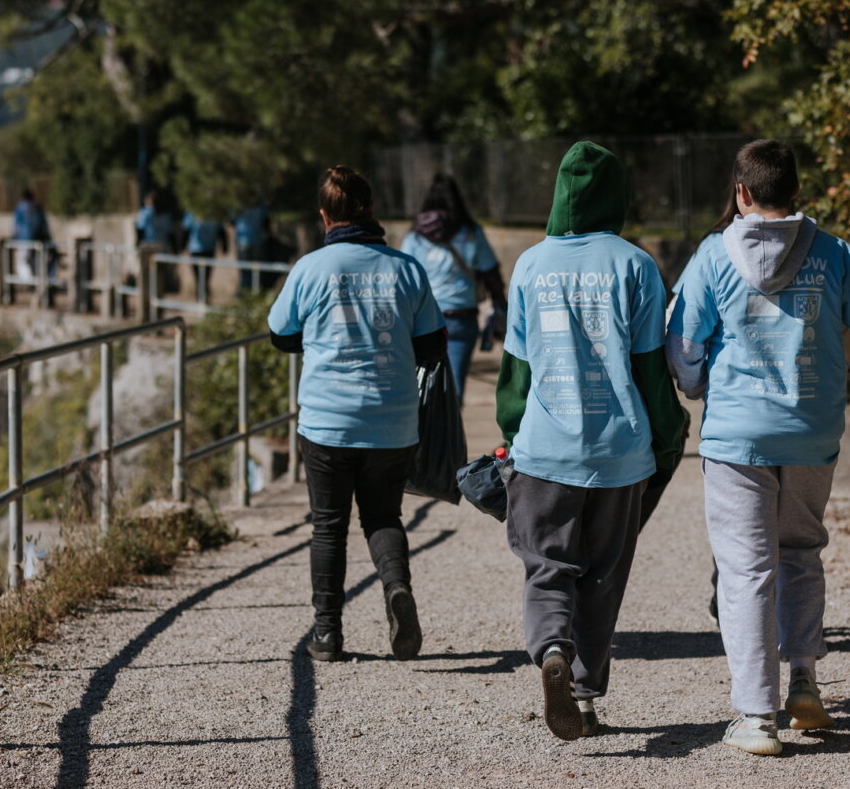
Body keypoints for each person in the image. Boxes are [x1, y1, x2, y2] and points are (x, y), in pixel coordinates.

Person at [666, 139, 850, 756]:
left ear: (741, 192)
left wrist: (701, 385)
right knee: (801, 552)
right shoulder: (836, 255)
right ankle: (805, 681)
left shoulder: (712, 256)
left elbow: (682, 345)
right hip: (814, 434)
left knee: (745, 570)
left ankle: (756, 717)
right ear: (798, 193)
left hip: (736, 434)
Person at [496, 141, 686, 740]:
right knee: (602, 575)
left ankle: (551, 649)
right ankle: (585, 694)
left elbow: (516, 371)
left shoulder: (529, 265)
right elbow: (651, 366)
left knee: (546, 566)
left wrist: (511, 432)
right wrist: (669, 432)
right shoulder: (635, 265)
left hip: (545, 449)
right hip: (619, 452)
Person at [267, 166, 447, 663]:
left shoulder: (311, 268)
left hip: (327, 420)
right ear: (370, 210)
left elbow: (281, 334)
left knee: (328, 525)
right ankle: (396, 588)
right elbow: (432, 344)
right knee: (383, 515)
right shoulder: (406, 268)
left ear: (324, 216)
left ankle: (327, 635)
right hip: (392, 421)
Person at [400, 174, 507, 402]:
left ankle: (428, 436)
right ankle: (451, 435)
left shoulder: (416, 235)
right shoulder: (470, 232)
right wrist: (500, 304)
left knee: (422, 388)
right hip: (462, 319)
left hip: (424, 320)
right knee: (454, 389)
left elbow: (404, 278)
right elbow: (491, 272)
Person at [136, 190, 178, 293]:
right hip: (162, 248)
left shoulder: (146, 212)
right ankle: (157, 297)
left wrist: (137, 244)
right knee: (160, 275)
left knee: (147, 276)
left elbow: (139, 229)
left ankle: (150, 299)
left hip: (148, 248)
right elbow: (170, 234)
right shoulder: (166, 215)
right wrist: (175, 249)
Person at [181, 210, 227, 303]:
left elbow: (220, 231)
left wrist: (224, 246)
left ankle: (203, 297)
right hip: (199, 249)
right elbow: (186, 230)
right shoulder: (192, 214)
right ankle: (202, 296)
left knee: (204, 276)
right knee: (201, 276)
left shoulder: (193, 213)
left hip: (204, 249)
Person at [234, 200, 273, 293]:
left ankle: (247, 294)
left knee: (246, 272)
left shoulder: (238, 205)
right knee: (257, 271)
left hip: (244, 242)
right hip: (257, 240)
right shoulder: (260, 206)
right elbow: (266, 222)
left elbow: (232, 221)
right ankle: (254, 294)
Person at [12, 189, 51, 279]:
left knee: (23, 261)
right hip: (38, 238)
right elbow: (45, 225)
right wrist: (47, 237)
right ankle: (36, 280)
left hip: (23, 240)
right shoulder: (38, 208)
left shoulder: (19, 209)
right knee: (35, 261)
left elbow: (15, 226)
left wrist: (14, 237)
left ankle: (28, 281)